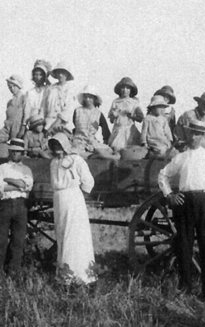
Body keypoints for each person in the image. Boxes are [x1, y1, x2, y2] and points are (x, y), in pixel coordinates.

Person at [158, 120, 205, 300]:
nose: (194, 137)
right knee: (184, 246)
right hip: (184, 203)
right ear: (187, 135)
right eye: (191, 133)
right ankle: (186, 288)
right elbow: (163, 175)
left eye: (197, 134)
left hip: (204, 202)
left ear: (202, 136)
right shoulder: (181, 157)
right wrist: (170, 195)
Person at [48, 133, 97, 285]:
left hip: (73, 198)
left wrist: (77, 195)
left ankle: (81, 275)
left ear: (65, 145)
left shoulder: (76, 160)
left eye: (59, 145)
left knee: (75, 235)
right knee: (62, 233)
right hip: (59, 199)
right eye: (54, 145)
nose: (57, 148)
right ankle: (65, 274)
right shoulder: (53, 163)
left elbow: (88, 181)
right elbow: (53, 183)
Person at [0, 138, 34, 276]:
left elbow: (27, 185)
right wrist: (18, 184)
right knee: (0, 242)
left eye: (18, 152)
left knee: (18, 242)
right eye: (13, 151)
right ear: (9, 152)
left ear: (22, 153)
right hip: (4, 206)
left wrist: (8, 181)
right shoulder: (2, 168)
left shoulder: (26, 169)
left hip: (21, 207)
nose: (16, 154)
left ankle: (13, 272)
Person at [72, 85, 111, 156]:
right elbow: (75, 124)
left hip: (92, 141)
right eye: (86, 97)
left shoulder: (98, 114)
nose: (87, 99)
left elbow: (105, 130)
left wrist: (106, 141)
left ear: (94, 98)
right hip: (78, 141)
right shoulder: (77, 111)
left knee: (106, 152)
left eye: (90, 97)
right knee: (75, 154)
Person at [107, 77, 144, 151]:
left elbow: (141, 118)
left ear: (131, 90)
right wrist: (114, 115)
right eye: (122, 88)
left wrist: (132, 116)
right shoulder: (116, 102)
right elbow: (111, 120)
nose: (124, 90)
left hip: (130, 130)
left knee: (132, 151)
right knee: (116, 148)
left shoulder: (134, 103)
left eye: (127, 88)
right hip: (118, 129)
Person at [0, 74, 26, 148]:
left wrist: (23, 127)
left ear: (18, 86)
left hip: (17, 126)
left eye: (14, 86)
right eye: (10, 87)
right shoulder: (9, 102)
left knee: (14, 146)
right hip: (8, 126)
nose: (12, 89)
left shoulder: (24, 98)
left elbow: (26, 114)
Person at [43, 61, 78, 137]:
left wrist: (53, 127)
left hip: (63, 126)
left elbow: (67, 110)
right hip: (48, 124)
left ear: (67, 75)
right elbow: (45, 108)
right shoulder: (51, 89)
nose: (60, 75)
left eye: (63, 73)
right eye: (58, 72)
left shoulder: (70, 90)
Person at [22, 59, 52, 128]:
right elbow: (27, 111)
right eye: (36, 74)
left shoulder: (49, 90)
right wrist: (24, 124)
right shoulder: (30, 92)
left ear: (44, 76)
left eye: (40, 75)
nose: (38, 77)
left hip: (46, 122)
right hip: (32, 122)